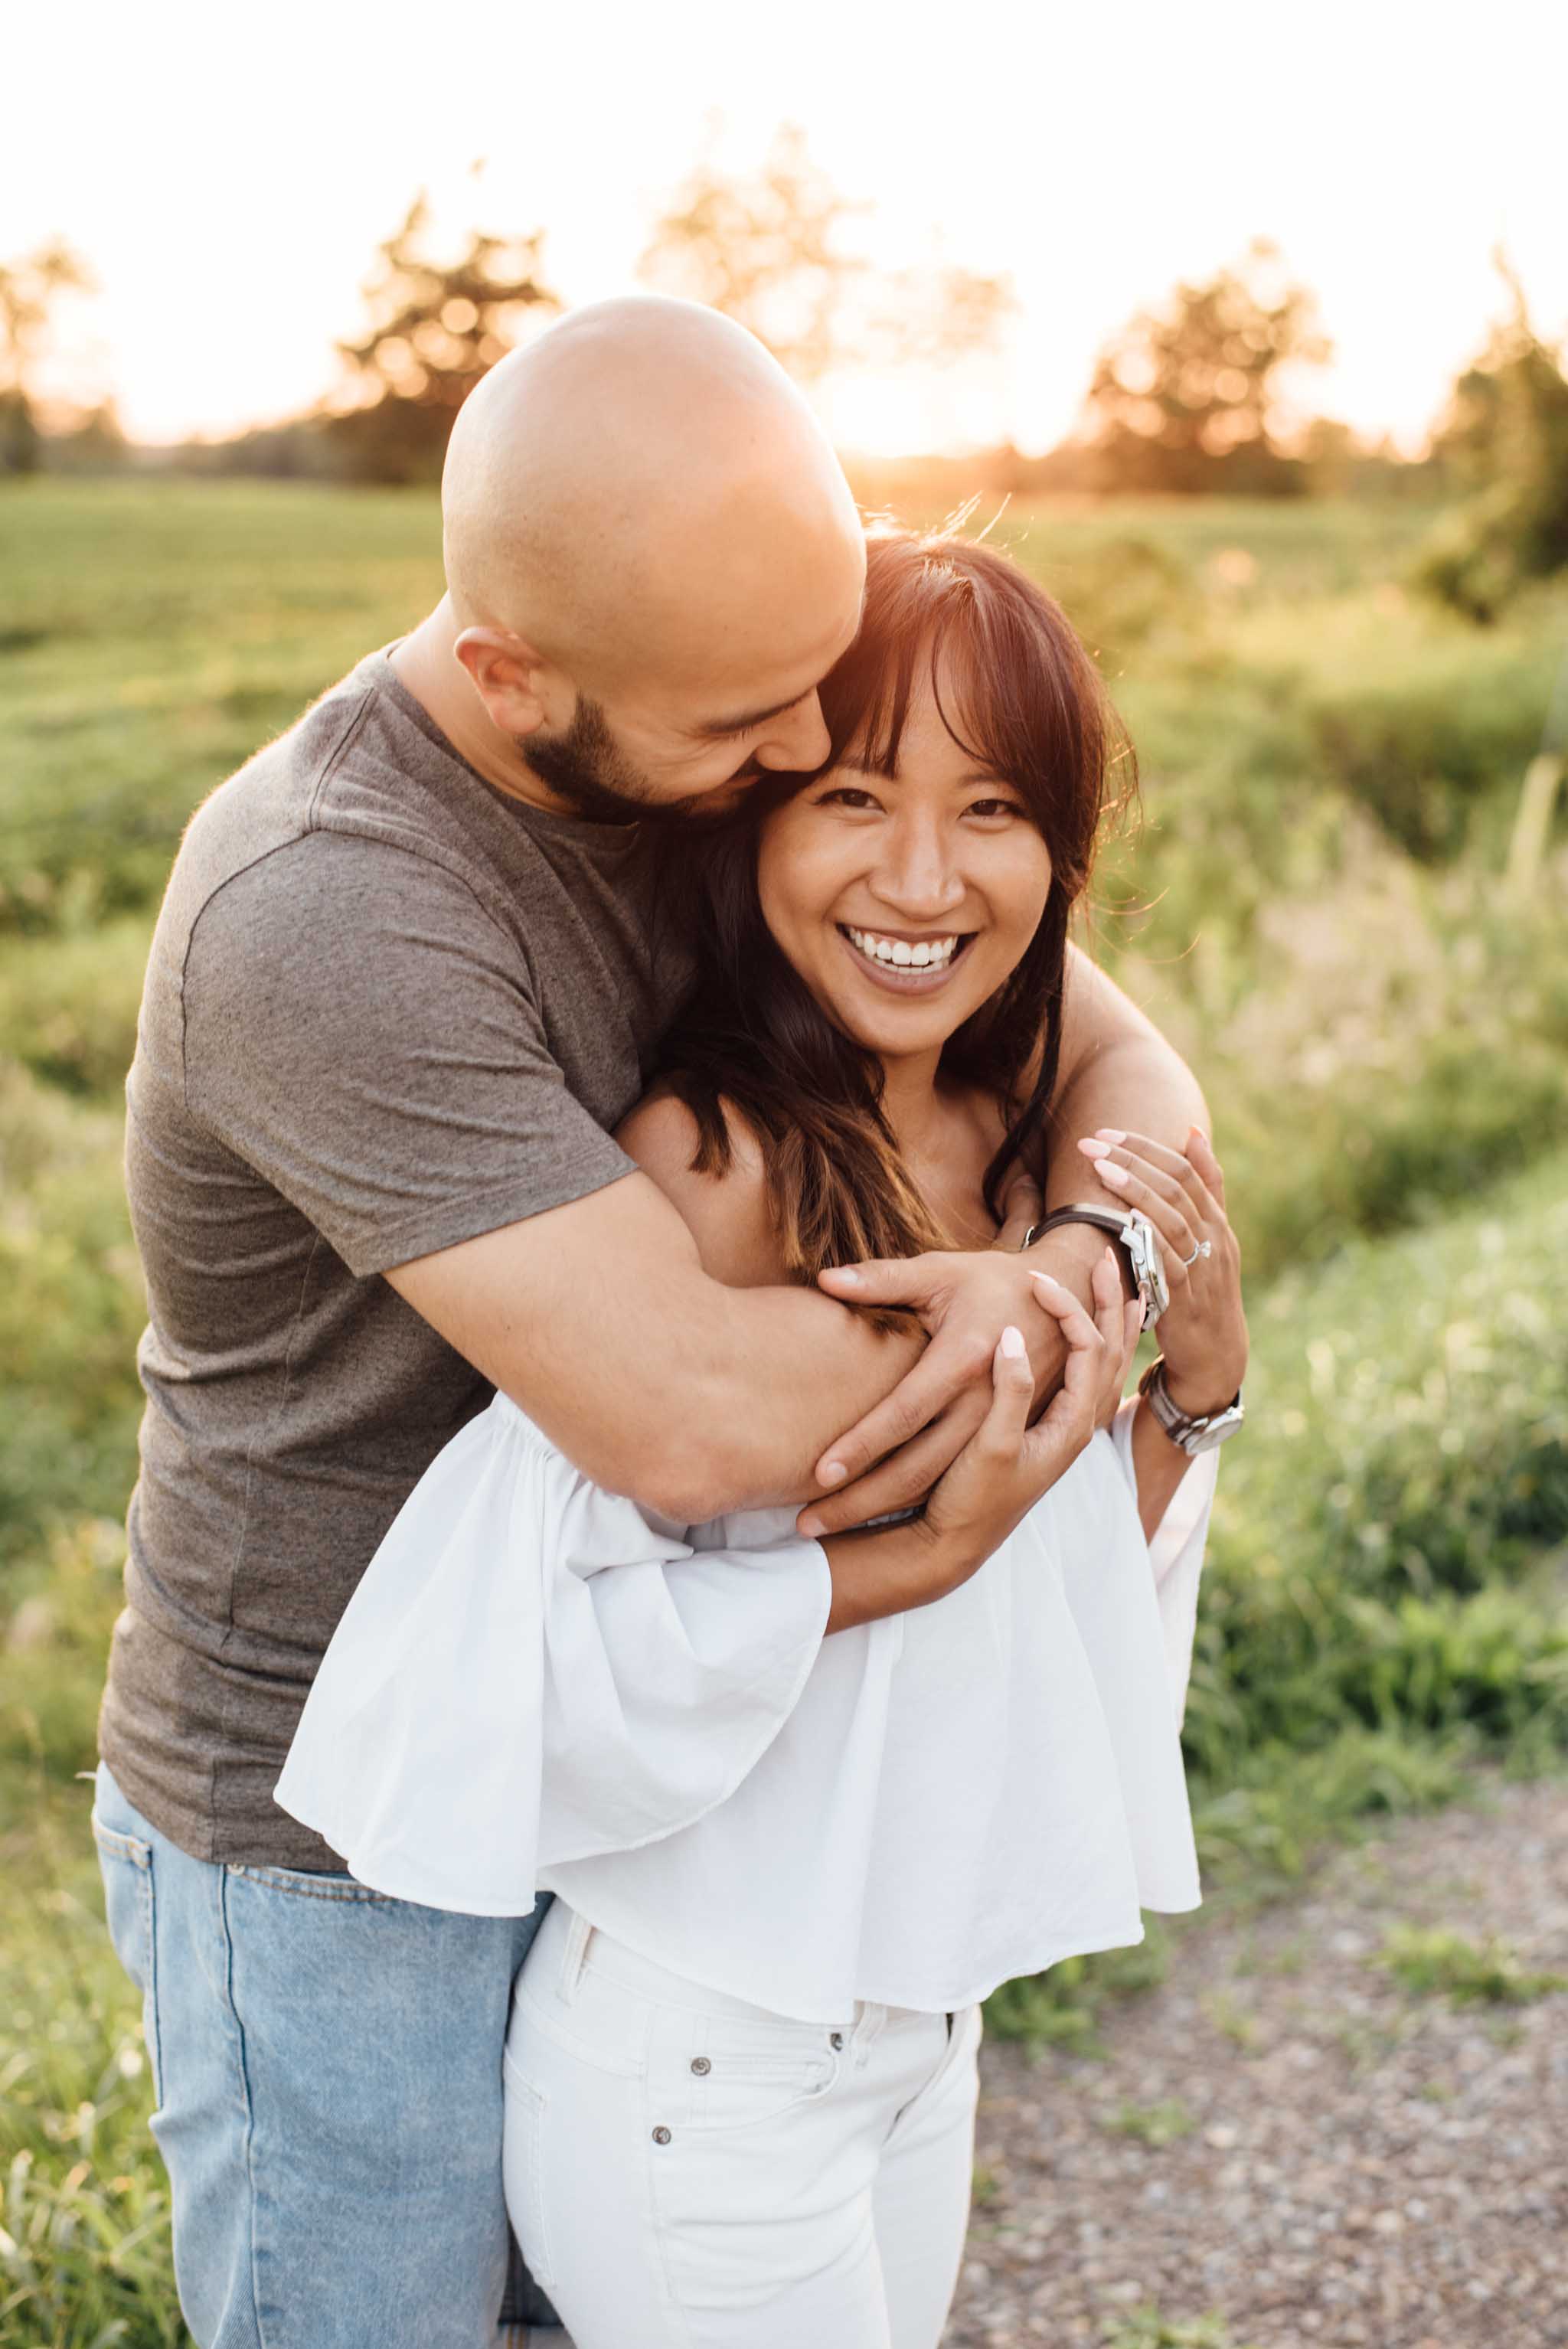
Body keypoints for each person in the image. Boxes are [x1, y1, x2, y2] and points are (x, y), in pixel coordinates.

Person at [92, 299, 1210, 2349]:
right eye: (752, 727)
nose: (796, 758)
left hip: (652, 1741)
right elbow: (699, 1417)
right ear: (513, 670)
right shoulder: (330, 910)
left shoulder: (708, 708)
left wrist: (1087, 1264)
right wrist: (1079, 1358)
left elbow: (1103, 1050)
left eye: (809, 692)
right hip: (346, 1818)